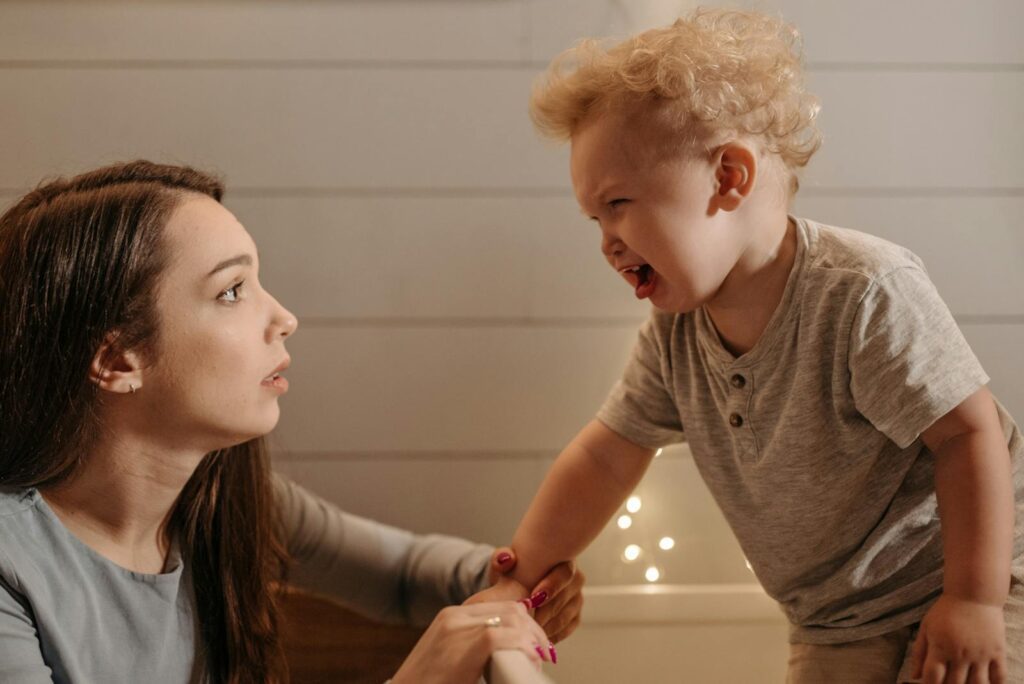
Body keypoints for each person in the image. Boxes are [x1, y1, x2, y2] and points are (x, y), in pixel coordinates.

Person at [480, 8, 1024, 683]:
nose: (606, 240)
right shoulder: (675, 336)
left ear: (728, 178)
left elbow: (969, 436)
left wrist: (974, 597)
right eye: (595, 218)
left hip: (962, 579)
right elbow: (604, 459)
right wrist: (518, 576)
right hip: (830, 621)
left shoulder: (860, 293)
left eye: (619, 203)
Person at [0, 160, 582, 683]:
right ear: (117, 360)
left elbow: (407, 576)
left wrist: (526, 579)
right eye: (231, 291)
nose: (284, 317)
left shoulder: (227, 498)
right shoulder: (11, 567)